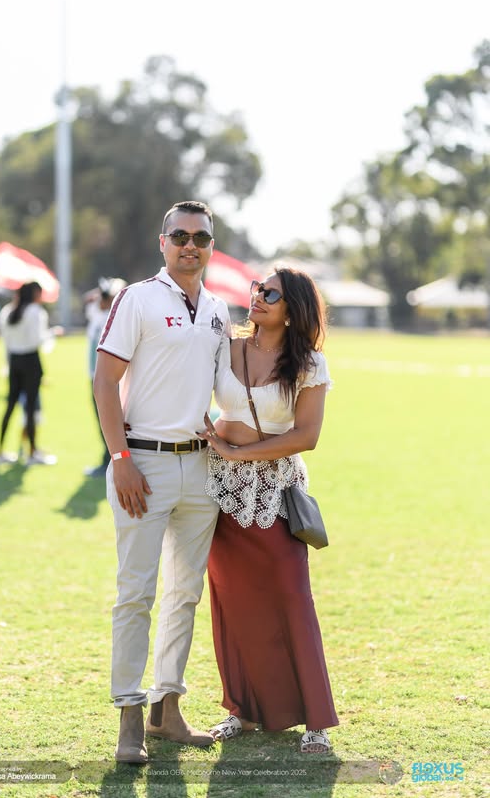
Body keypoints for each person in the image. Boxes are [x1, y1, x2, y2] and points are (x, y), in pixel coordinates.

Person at [93, 200, 231, 764]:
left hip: (201, 466)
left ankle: (166, 707)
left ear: (211, 246)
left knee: (185, 595)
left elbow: (231, 391)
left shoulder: (220, 308)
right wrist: (119, 456)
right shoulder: (138, 297)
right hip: (142, 463)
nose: (190, 245)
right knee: (136, 593)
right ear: (163, 242)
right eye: (180, 236)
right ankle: (129, 714)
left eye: (200, 237)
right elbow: (104, 381)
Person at [198, 268, 339, 754]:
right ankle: (242, 710)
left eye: (271, 293)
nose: (258, 296)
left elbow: (307, 436)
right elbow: (199, 399)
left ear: (293, 306)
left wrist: (241, 453)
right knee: (231, 603)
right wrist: (215, 439)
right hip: (219, 491)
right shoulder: (227, 347)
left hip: (276, 494)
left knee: (292, 600)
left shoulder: (308, 363)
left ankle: (316, 721)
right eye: (258, 288)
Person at [0, 281, 57, 465]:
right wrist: (53, 333)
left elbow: (5, 341)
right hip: (30, 360)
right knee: (31, 408)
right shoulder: (35, 312)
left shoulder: (8, 311)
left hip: (14, 361)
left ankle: (0, 451)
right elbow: (39, 340)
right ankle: (31, 452)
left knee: (10, 405)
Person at [83, 278, 126, 477]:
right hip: (94, 377)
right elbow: (88, 299)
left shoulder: (116, 316)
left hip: (111, 379)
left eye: (105, 296)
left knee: (111, 421)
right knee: (101, 421)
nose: (101, 299)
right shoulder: (98, 314)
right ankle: (107, 458)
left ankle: (110, 460)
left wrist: (114, 290)